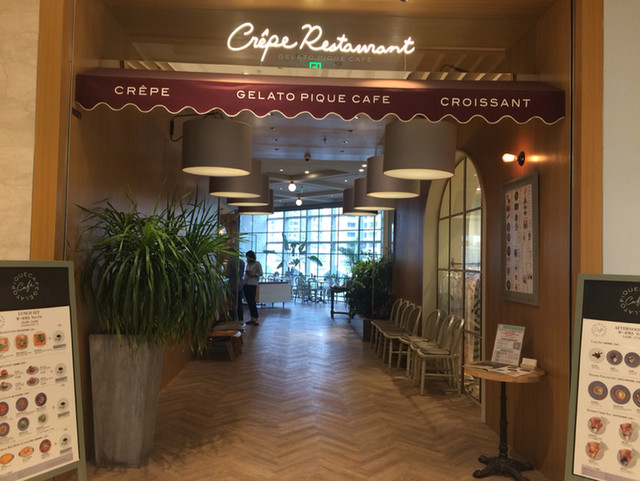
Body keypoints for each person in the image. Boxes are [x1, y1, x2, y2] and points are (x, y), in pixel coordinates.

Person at [243, 250, 263, 326]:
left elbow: (260, 273)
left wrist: (253, 274)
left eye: (247, 257)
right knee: (249, 301)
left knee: (252, 301)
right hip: (246, 283)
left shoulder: (257, 263)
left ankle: (256, 318)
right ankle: (252, 318)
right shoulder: (248, 264)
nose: (247, 258)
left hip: (252, 284)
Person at [225, 253, 245, 321]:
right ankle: (240, 319)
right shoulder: (242, 262)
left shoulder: (230, 262)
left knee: (231, 303)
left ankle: (232, 318)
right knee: (239, 303)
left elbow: (228, 274)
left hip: (232, 285)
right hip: (240, 285)